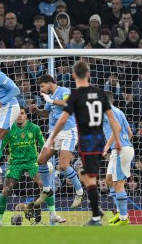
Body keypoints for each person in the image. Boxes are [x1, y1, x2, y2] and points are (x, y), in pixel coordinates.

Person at [46, 60, 121, 226]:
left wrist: (52, 137)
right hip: (99, 140)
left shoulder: (75, 96)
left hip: (87, 142)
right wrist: (118, 141)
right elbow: (113, 121)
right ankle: (96, 210)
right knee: (85, 175)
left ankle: (96, 215)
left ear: (73, 76)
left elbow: (62, 120)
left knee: (88, 178)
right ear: (89, 74)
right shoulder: (100, 94)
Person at [0, 107, 66, 226]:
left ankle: (53, 215)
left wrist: (47, 161)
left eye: (22, 113)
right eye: (17, 114)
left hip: (33, 162)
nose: (19, 116)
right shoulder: (9, 130)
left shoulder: (34, 128)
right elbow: (0, 148)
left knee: (44, 185)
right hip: (16, 163)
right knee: (6, 190)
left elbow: (44, 145)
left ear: (26, 115)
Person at [30, 75, 84, 208]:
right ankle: (47, 190)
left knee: (64, 165)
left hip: (69, 132)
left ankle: (79, 192)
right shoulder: (49, 98)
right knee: (41, 160)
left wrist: (51, 100)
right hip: (55, 133)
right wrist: (36, 110)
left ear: (50, 83)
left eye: (42, 86)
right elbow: (46, 113)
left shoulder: (64, 90)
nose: (41, 89)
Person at [103, 91, 134, 226]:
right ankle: (121, 214)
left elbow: (117, 127)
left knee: (119, 183)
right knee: (109, 181)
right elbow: (130, 132)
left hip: (121, 150)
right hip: (121, 150)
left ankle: (123, 218)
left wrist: (107, 146)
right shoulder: (119, 111)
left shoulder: (108, 111)